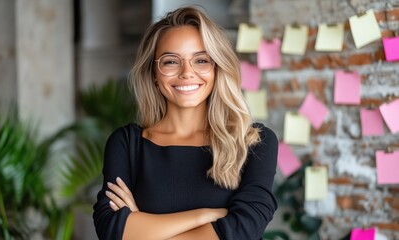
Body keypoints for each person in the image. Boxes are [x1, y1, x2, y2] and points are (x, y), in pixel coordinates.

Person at [93, 6, 278, 240]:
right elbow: (111, 231)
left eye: (201, 60)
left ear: (217, 67)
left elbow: (244, 230)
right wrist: (204, 216)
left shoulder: (254, 142)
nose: (187, 73)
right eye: (171, 61)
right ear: (154, 72)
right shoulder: (127, 144)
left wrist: (143, 229)